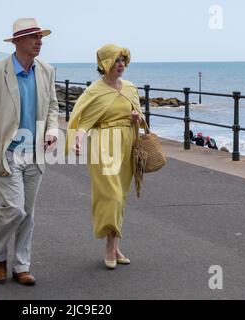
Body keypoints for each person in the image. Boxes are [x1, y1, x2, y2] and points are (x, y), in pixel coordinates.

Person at [0, 18, 58, 286]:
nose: (39, 41)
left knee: (28, 213)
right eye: (33, 37)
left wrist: (52, 130)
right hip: (7, 152)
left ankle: (22, 265)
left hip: (36, 152)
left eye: (41, 37)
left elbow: (53, 106)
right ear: (17, 41)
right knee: (15, 209)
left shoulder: (46, 70)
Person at [67, 44, 143, 270]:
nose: (121, 65)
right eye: (116, 61)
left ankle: (116, 246)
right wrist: (78, 139)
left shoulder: (130, 88)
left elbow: (141, 117)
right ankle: (110, 246)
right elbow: (84, 122)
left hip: (128, 143)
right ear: (104, 64)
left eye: (123, 61)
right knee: (112, 196)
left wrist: (135, 118)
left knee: (122, 196)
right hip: (104, 146)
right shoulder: (95, 92)